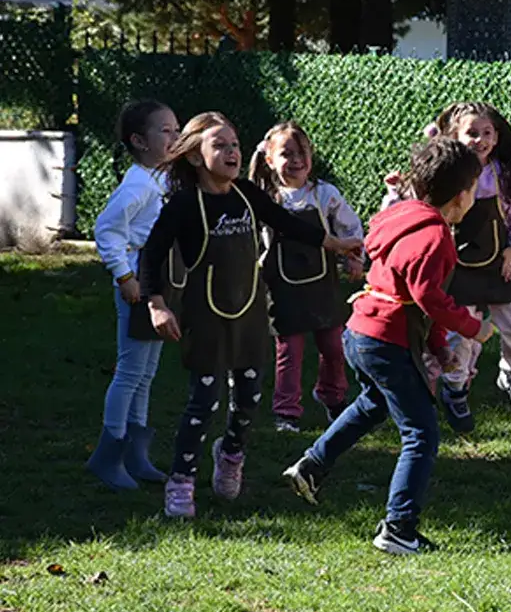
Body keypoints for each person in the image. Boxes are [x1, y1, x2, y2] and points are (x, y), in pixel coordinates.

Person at [139, 112, 362, 519]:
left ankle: (230, 455)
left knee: (248, 399)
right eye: (219, 145)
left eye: (235, 144)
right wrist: (156, 304)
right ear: (194, 156)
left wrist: (335, 243)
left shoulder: (245, 194)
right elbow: (151, 255)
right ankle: (182, 479)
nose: (232, 152)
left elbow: (288, 224)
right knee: (204, 401)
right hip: (204, 314)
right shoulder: (184, 205)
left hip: (250, 313)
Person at [282, 137, 495, 555]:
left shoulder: (403, 217)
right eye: (476, 185)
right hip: (386, 341)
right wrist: (472, 327)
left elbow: (412, 293)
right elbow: (429, 297)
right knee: (421, 434)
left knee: (373, 403)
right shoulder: (434, 235)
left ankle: (311, 466)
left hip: (362, 331)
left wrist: (436, 345)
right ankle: (398, 528)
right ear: (462, 194)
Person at [384, 103, 511, 433]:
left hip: (499, 266)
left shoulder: (505, 176)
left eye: (486, 133)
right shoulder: (448, 172)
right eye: (471, 133)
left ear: (497, 137)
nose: (479, 140)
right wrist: (397, 189)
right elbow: (419, 202)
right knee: (460, 336)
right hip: (459, 268)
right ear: (455, 136)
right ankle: (456, 390)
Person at [87, 100, 181, 490]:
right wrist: (125, 276)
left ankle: (135, 454)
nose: (175, 138)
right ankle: (108, 455)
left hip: (157, 280)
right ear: (139, 141)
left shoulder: (163, 179)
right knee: (129, 371)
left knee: (146, 372)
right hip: (138, 282)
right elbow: (107, 230)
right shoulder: (138, 185)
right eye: (166, 131)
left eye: (177, 130)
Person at [249, 122, 365, 433]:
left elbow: (350, 229)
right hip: (283, 288)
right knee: (290, 351)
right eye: (287, 154)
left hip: (323, 285)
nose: (297, 160)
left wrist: (354, 258)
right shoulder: (267, 199)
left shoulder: (324, 194)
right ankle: (286, 411)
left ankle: (332, 396)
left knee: (334, 347)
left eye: (302, 153)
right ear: (270, 159)